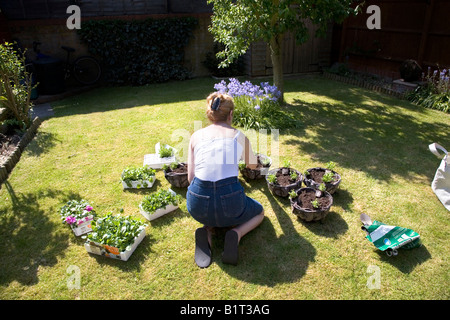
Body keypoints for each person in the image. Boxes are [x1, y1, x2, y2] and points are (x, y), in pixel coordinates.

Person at [186, 92, 265, 268]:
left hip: (198, 205)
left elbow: (190, 178)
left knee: (210, 205)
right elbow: (252, 166)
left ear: (210, 114)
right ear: (230, 115)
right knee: (259, 212)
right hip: (231, 202)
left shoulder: (195, 137)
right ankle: (236, 233)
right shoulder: (239, 136)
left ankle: (207, 230)